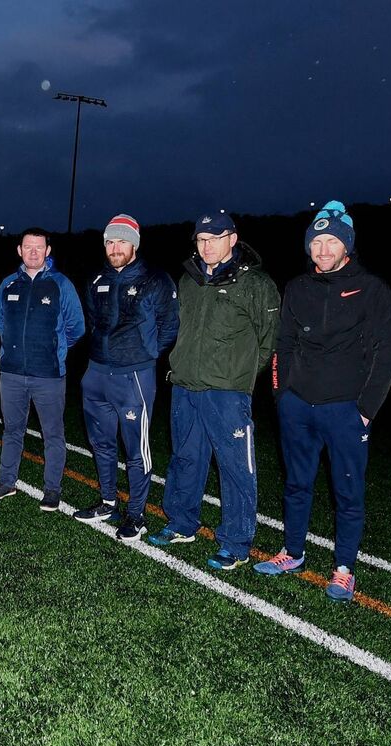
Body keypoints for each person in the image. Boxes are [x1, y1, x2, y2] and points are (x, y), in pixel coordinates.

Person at [256, 201, 391, 602]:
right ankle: (293, 552)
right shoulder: (298, 287)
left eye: (331, 240)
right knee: (297, 484)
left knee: (347, 492)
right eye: (316, 241)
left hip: (345, 409)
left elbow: (387, 351)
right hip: (298, 406)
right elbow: (282, 344)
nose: (322, 249)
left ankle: (343, 568)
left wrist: (366, 410)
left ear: (347, 244)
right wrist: (280, 393)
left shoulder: (372, 289)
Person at [148, 212, 280, 570]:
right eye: (201, 239)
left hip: (227, 392)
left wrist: (236, 375)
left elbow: (269, 342)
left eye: (215, 238)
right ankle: (181, 523)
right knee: (185, 458)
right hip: (185, 387)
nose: (206, 246)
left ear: (233, 239)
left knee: (235, 467)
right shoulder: (188, 281)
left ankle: (235, 543)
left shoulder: (255, 284)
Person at [72, 215, 179, 539]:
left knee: (135, 449)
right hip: (96, 374)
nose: (114, 247)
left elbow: (169, 326)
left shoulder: (155, 280)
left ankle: (137, 514)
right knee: (101, 443)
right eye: (109, 241)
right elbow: (93, 322)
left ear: (134, 244)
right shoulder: (96, 279)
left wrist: (144, 355)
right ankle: (107, 502)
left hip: (134, 377)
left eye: (121, 241)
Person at [0, 227, 85, 510]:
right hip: (12, 373)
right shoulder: (8, 284)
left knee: (53, 434)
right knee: (12, 429)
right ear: (19, 250)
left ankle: (52, 490)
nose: (33, 252)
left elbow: (77, 327)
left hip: (48, 375)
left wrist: (56, 350)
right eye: (28, 247)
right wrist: (15, 345)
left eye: (39, 247)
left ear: (48, 251)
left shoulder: (60, 284)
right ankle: (6, 482)